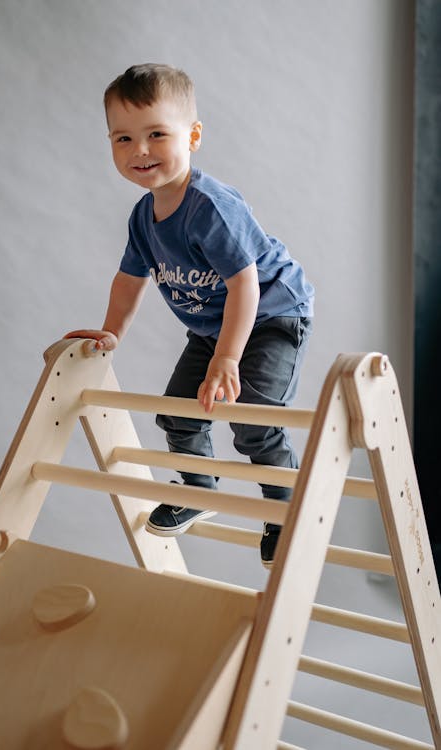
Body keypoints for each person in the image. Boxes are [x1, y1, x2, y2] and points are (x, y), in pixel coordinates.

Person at [64, 63, 314, 567]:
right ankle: (198, 487)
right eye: (123, 138)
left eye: (157, 134)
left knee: (252, 421)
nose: (140, 151)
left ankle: (285, 515)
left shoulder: (210, 207)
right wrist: (112, 334)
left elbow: (244, 284)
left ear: (193, 136)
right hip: (213, 328)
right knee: (177, 411)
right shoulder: (143, 218)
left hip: (271, 316)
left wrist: (228, 357)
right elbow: (128, 281)